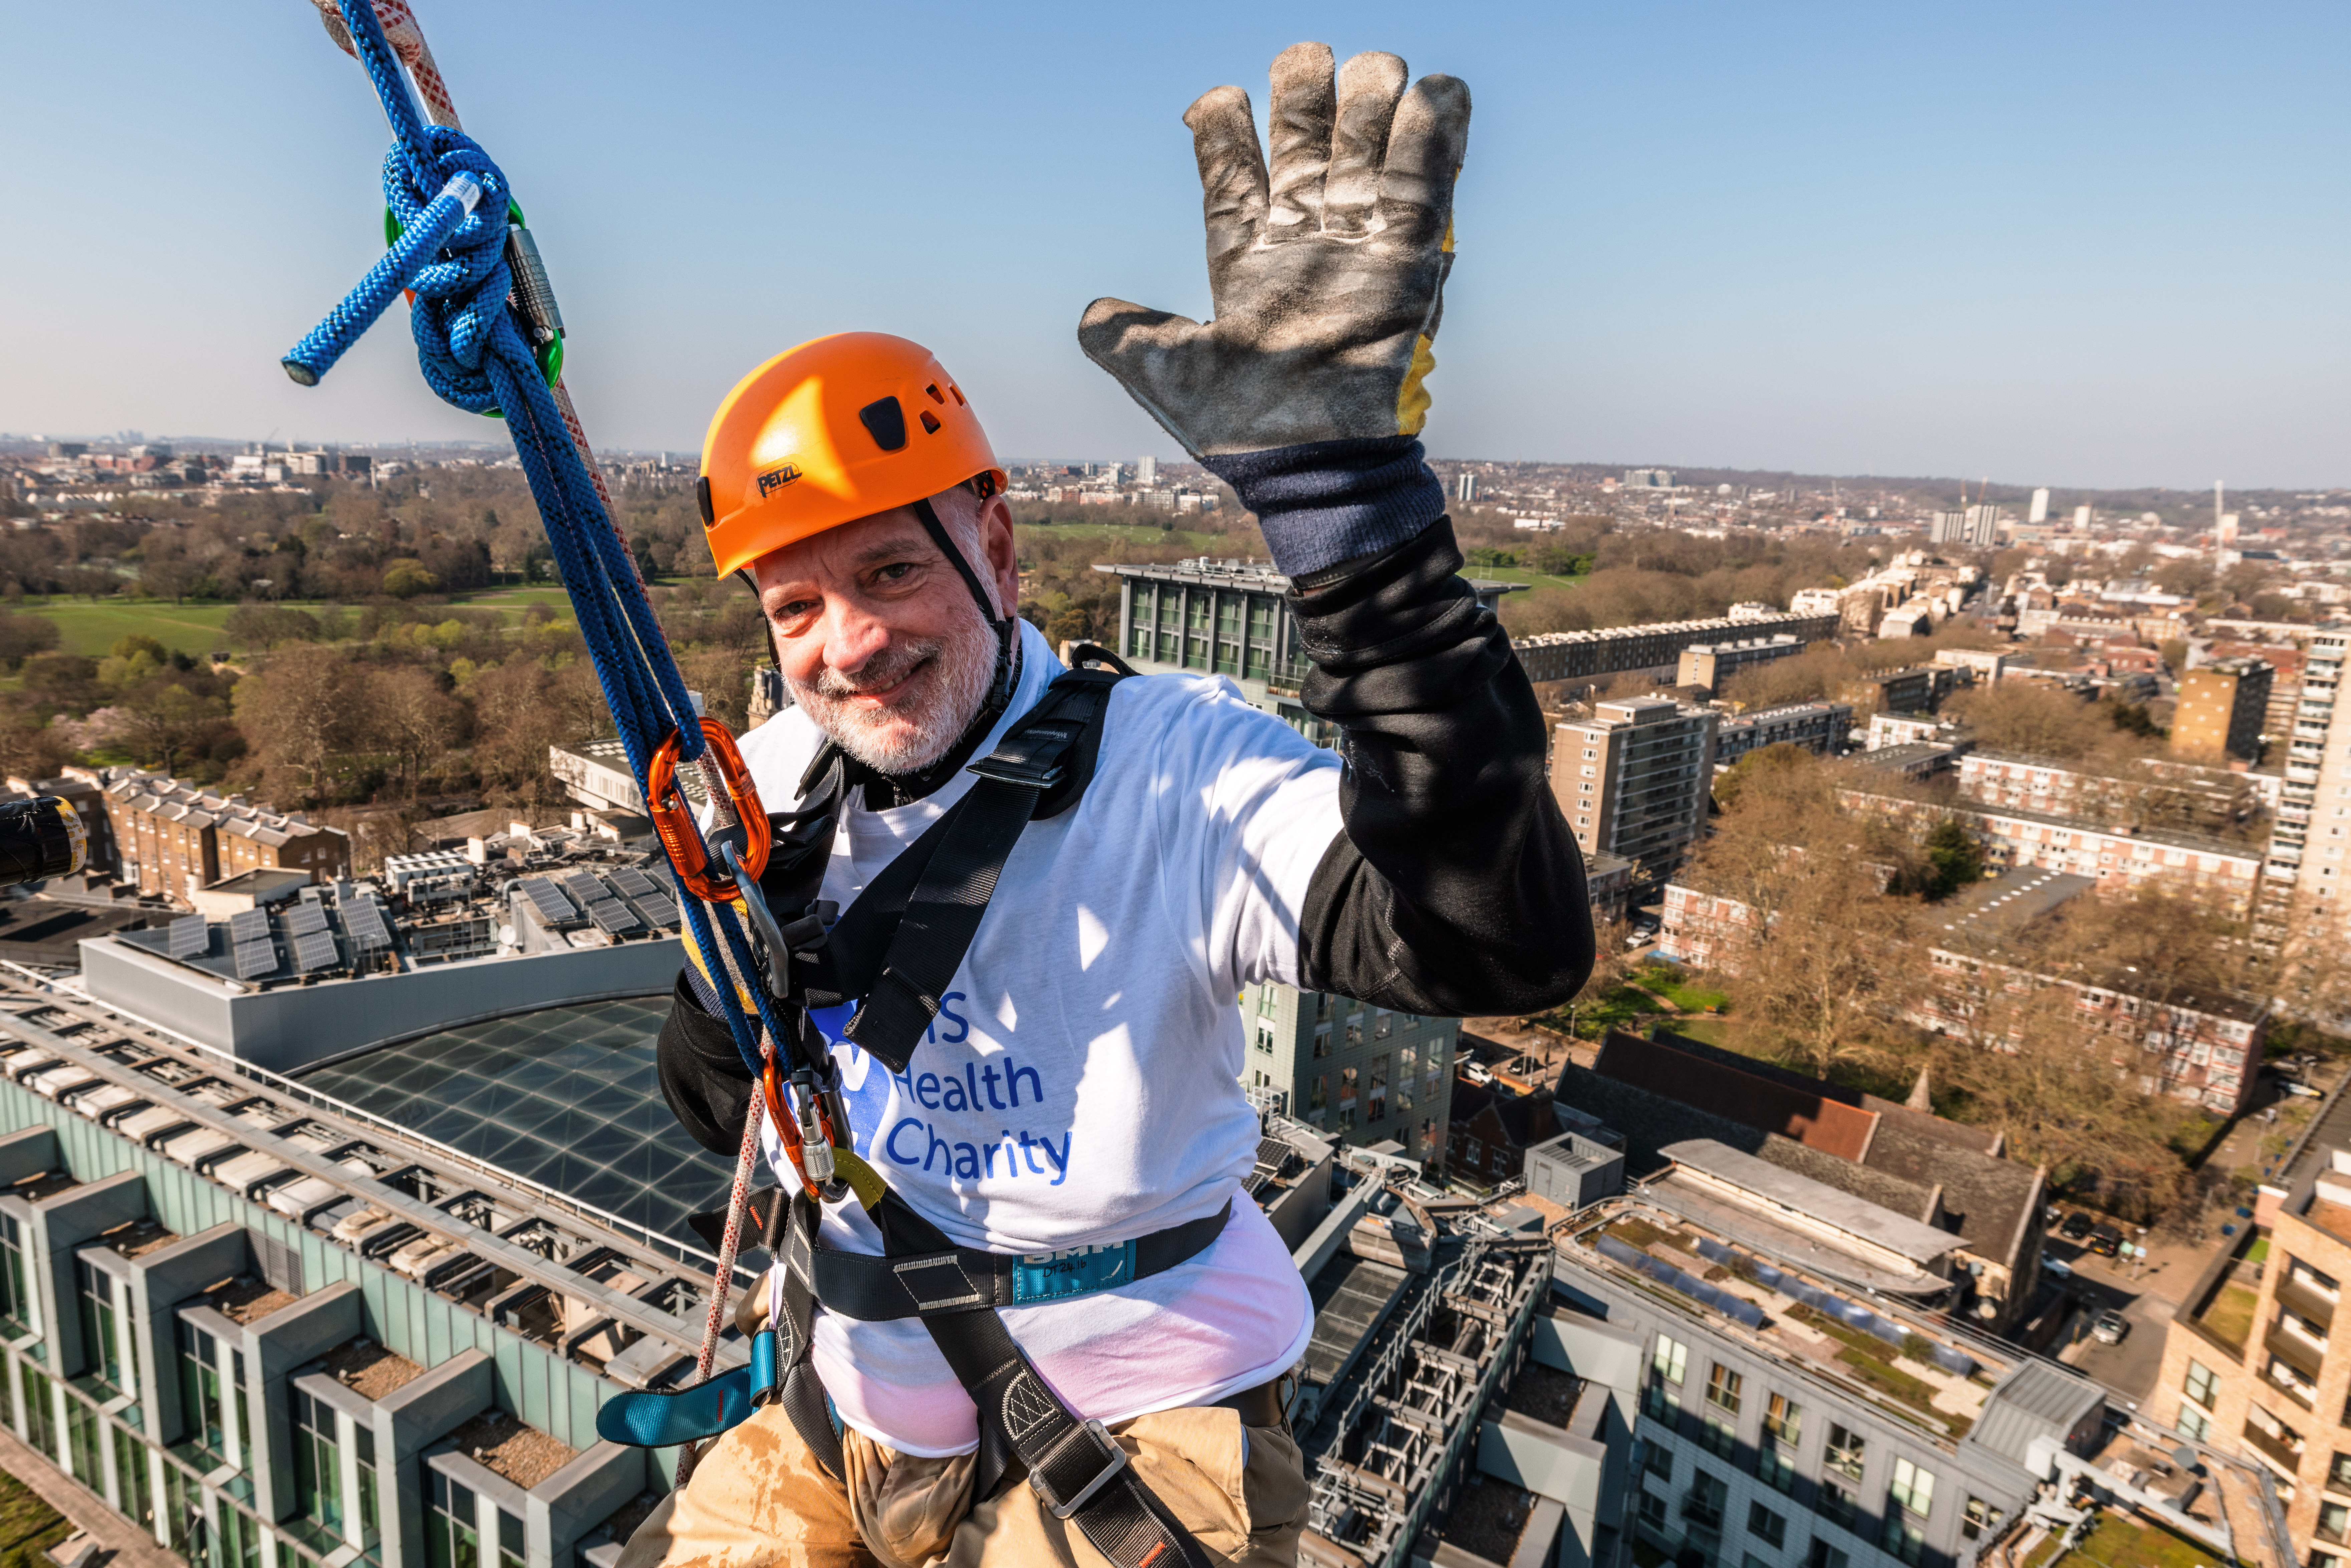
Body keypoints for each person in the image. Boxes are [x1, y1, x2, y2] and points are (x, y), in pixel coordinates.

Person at [625, 40, 1591, 1568]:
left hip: (1139, 1433)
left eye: (888, 569)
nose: (848, 643)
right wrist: (739, 960)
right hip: (841, 1399)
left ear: (996, 550)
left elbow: (1495, 945)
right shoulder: (769, 789)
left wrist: (1358, 522)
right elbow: (711, 1100)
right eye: (795, 604)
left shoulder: (1179, 765)